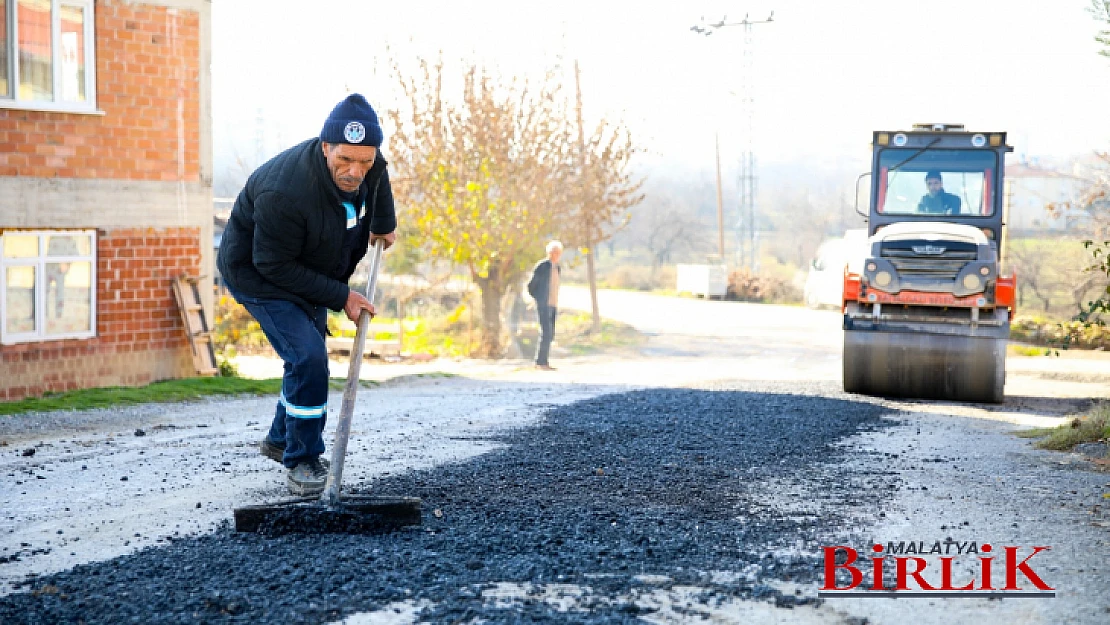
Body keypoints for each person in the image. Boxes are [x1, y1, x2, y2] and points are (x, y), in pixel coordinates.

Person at [216, 94, 397, 496]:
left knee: (305, 356)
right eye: (345, 160)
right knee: (309, 357)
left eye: (364, 162)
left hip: (308, 268)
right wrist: (341, 296)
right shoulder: (284, 192)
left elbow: (379, 175)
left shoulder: (370, 164)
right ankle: (302, 459)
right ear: (325, 147)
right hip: (260, 274)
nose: (355, 171)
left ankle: (281, 440)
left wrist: (383, 222)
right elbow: (272, 265)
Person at [526, 240, 563, 371]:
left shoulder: (557, 267)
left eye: (558, 252)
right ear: (549, 252)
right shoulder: (542, 266)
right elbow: (531, 286)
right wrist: (539, 299)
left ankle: (543, 361)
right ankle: (540, 362)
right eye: (554, 252)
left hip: (553, 304)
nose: (556, 255)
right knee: (546, 332)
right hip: (544, 304)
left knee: (550, 333)